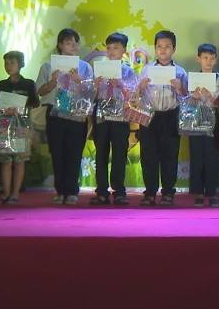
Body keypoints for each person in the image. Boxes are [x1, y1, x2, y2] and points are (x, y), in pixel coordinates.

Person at [36, 28, 93, 206]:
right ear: (60, 45)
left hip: (77, 114)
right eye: (68, 43)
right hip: (55, 114)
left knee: (74, 153)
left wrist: (79, 81)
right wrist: (53, 81)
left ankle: (72, 191)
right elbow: (40, 91)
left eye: (76, 43)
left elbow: (91, 92)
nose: (73, 46)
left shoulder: (84, 67)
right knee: (57, 153)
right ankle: (60, 191)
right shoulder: (47, 66)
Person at [136, 30, 189, 206]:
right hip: (149, 115)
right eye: (159, 47)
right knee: (148, 154)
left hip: (171, 116)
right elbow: (136, 95)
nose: (163, 50)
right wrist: (141, 87)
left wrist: (180, 88)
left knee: (170, 155)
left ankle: (168, 192)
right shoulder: (146, 69)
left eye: (167, 47)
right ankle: (150, 192)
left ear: (174, 49)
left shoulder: (180, 72)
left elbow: (187, 99)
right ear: (155, 49)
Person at [90, 32, 136, 206]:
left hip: (120, 116)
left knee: (119, 153)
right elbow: (91, 95)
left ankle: (119, 191)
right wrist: (94, 85)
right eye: (109, 48)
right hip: (101, 114)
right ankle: (101, 191)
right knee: (100, 152)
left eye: (116, 48)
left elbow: (133, 96)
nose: (111, 51)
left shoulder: (128, 71)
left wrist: (120, 84)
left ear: (124, 50)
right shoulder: (98, 69)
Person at [0, 51, 39, 205]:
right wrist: (5, 109)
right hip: (3, 126)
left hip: (21, 126)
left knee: (19, 160)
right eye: (6, 63)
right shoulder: (1, 84)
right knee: (5, 160)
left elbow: (35, 103)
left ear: (20, 64)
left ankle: (15, 194)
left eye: (12, 63)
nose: (8, 66)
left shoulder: (28, 83)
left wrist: (20, 108)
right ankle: (5, 193)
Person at [188, 43, 219, 207]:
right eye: (205, 58)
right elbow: (186, 101)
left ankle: (212, 192)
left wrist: (211, 97)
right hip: (195, 118)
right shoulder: (193, 78)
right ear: (198, 59)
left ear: (215, 60)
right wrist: (193, 97)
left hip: (213, 117)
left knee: (212, 155)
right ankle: (198, 192)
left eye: (211, 58)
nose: (208, 61)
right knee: (196, 155)